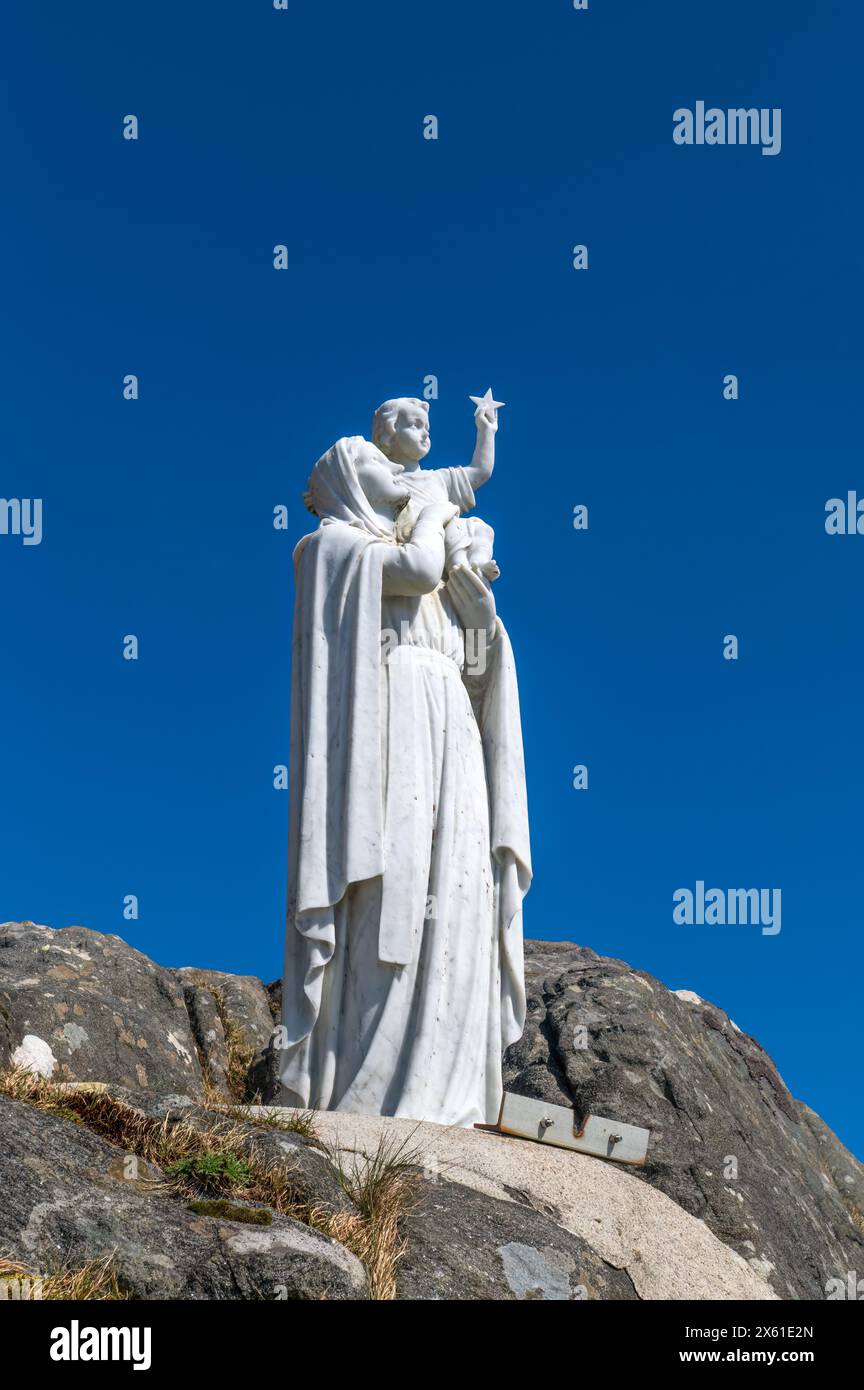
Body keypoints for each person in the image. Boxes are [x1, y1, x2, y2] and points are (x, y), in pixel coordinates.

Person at [279, 435, 531, 1127]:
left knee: (458, 889)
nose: (396, 473)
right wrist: (432, 517)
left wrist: (478, 607)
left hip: (453, 722)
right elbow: (415, 572)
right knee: (396, 882)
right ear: (347, 482)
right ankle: (375, 1085)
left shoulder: (427, 539)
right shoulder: (330, 548)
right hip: (392, 723)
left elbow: (479, 662)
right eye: (375, 465)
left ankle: (454, 1088)